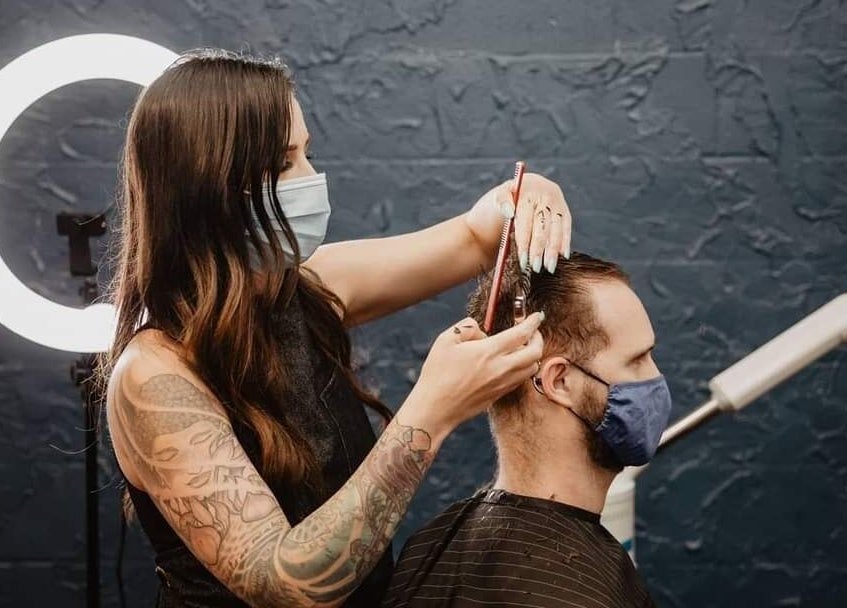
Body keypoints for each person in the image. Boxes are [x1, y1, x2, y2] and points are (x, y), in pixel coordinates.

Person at [100, 47, 572, 608]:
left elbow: (476, 235)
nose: (311, 178)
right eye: (283, 164)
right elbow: (284, 584)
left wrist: (528, 195)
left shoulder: (305, 286)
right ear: (208, 187)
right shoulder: (153, 378)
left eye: (307, 154)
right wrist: (434, 408)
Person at [381, 251, 672, 608]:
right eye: (638, 360)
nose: (656, 379)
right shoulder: (571, 594)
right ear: (560, 381)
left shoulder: (428, 545)